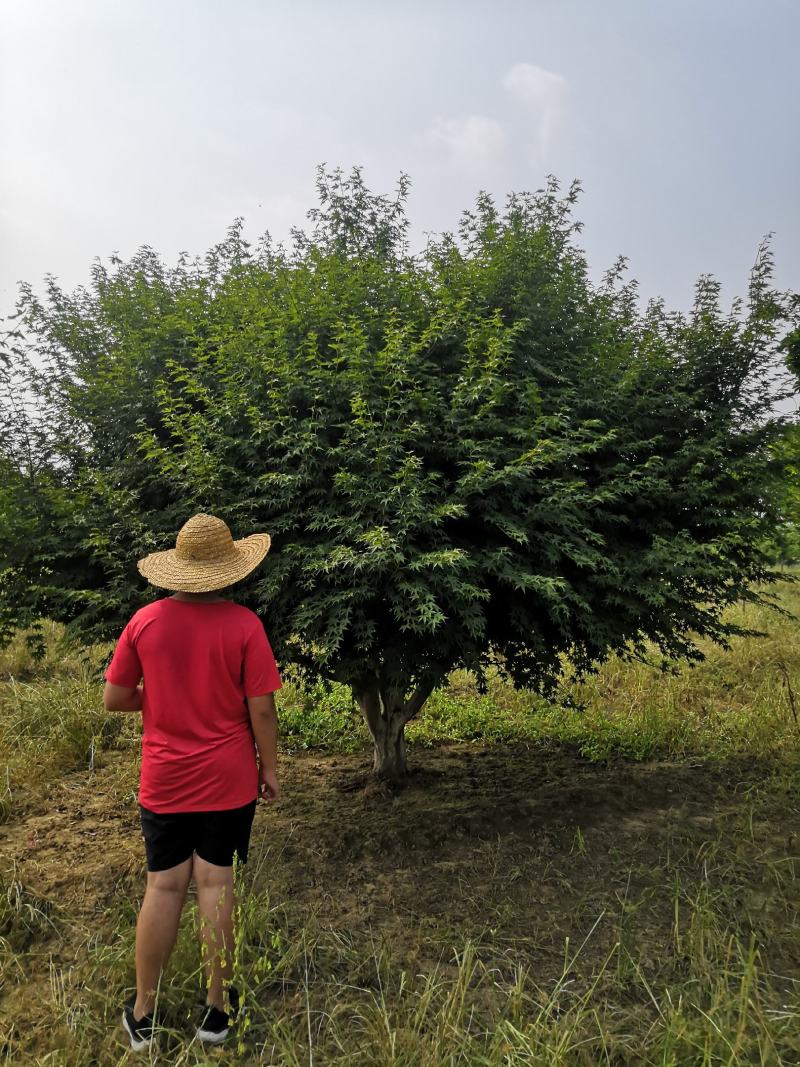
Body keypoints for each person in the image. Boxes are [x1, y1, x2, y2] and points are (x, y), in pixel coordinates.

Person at [103, 513, 281, 1051]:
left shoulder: (145, 623)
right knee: (214, 884)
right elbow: (262, 710)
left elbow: (114, 699)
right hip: (227, 780)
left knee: (163, 886)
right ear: (228, 571)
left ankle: (144, 1014)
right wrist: (269, 769)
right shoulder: (245, 626)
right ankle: (217, 1014)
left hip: (165, 780)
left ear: (177, 569)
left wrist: (155, 698)